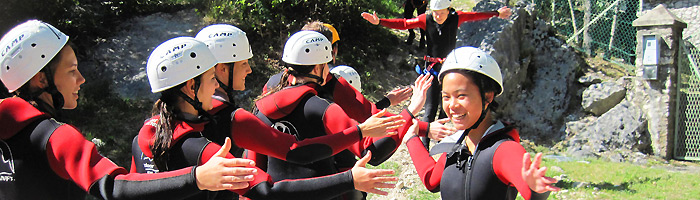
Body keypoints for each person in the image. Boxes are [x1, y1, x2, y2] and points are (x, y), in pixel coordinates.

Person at [0, 20, 259, 199]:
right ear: (41, 80)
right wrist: (198, 177)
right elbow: (114, 187)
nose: (81, 79)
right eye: (71, 70)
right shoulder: (54, 137)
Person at [137, 36, 400, 199]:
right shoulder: (207, 141)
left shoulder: (145, 137)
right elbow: (271, 187)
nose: (250, 69)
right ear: (190, 87)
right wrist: (349, 178)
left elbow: (130, 187)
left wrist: (359, 132)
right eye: (210, 78)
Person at [402, 46, 560, 199]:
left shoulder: (503, 150)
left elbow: (527, 184)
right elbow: (431, 181)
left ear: (488, 97)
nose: (452, 105)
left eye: (461, 95)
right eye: (446, 97)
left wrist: (535, 190)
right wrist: (411, 138)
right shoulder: (456, 148)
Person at [362, 0, 512, 149]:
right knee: (430, 109)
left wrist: (497, 14)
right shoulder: (426, 19)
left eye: (441, 13)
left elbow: (474, 15)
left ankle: (442, 144)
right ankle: (424, 147)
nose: (438, 17)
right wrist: (379, 21)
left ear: (448, 10)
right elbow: (405, 24)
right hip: (432, 70)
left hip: (449, 70)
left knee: (446, 109)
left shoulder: (456, 17)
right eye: (435, 13)